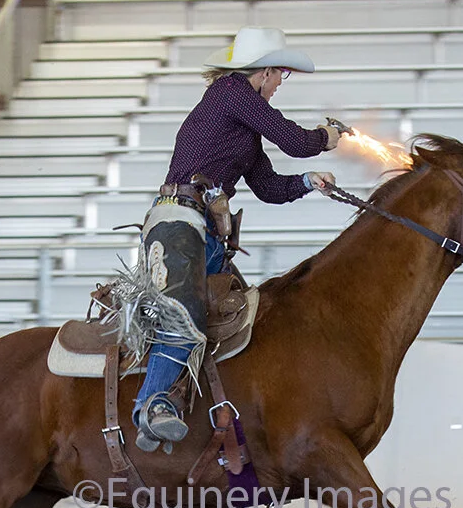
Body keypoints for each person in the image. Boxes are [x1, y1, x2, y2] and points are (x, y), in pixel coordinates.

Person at [131, 26, 341, 453]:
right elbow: (295, 140)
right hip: (180, 223)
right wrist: (325, 139)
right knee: (185, 314)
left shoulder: (240, 125)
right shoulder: (232, 92)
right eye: (281, 73)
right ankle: (151, 406)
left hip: (200, 232)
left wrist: (307, 181)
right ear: (264, 73)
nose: (280, 83)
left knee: (240, 319)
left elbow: (268, 187)